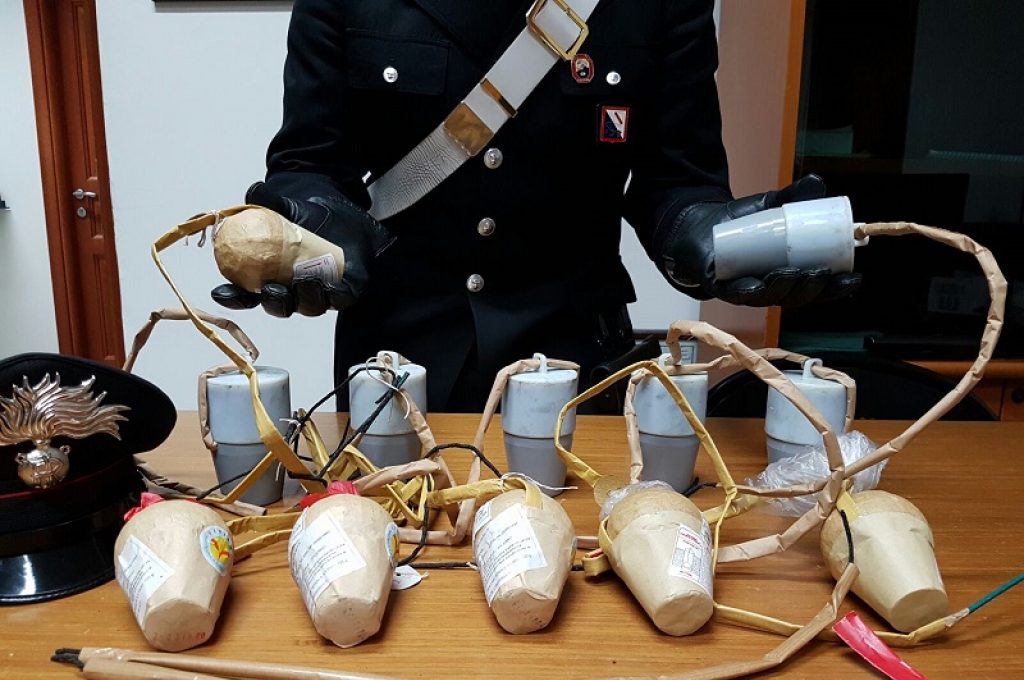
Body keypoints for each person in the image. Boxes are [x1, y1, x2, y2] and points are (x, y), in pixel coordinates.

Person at [212, 0, 860, 412]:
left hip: (579, 364)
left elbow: (677, 179)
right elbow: (310, 162)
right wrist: (314, 222)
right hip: (396, 368)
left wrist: (705, 233)